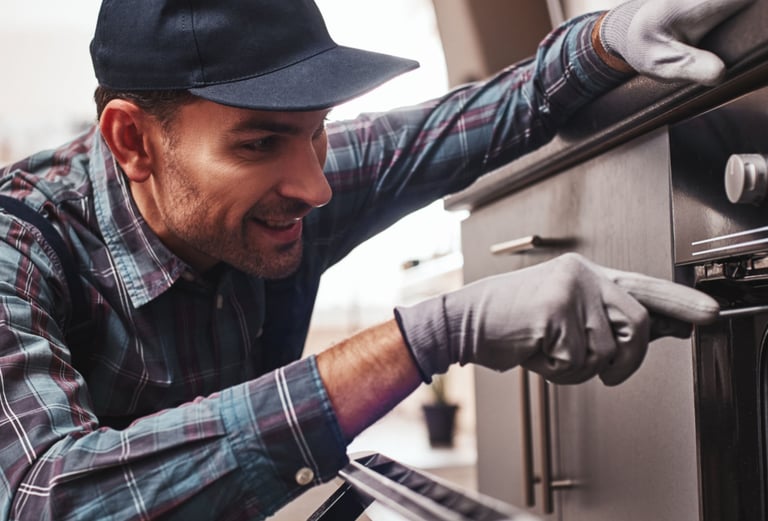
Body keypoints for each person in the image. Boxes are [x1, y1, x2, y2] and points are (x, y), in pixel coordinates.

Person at [0, 0, 750, 518]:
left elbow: (468, 122)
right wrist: (427, 335)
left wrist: (607, 39)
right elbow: (46, 498)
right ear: (133, 141)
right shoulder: (19, 246)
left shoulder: (275, 185)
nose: (316, 183)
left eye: (317, 131)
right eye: (260, 143)